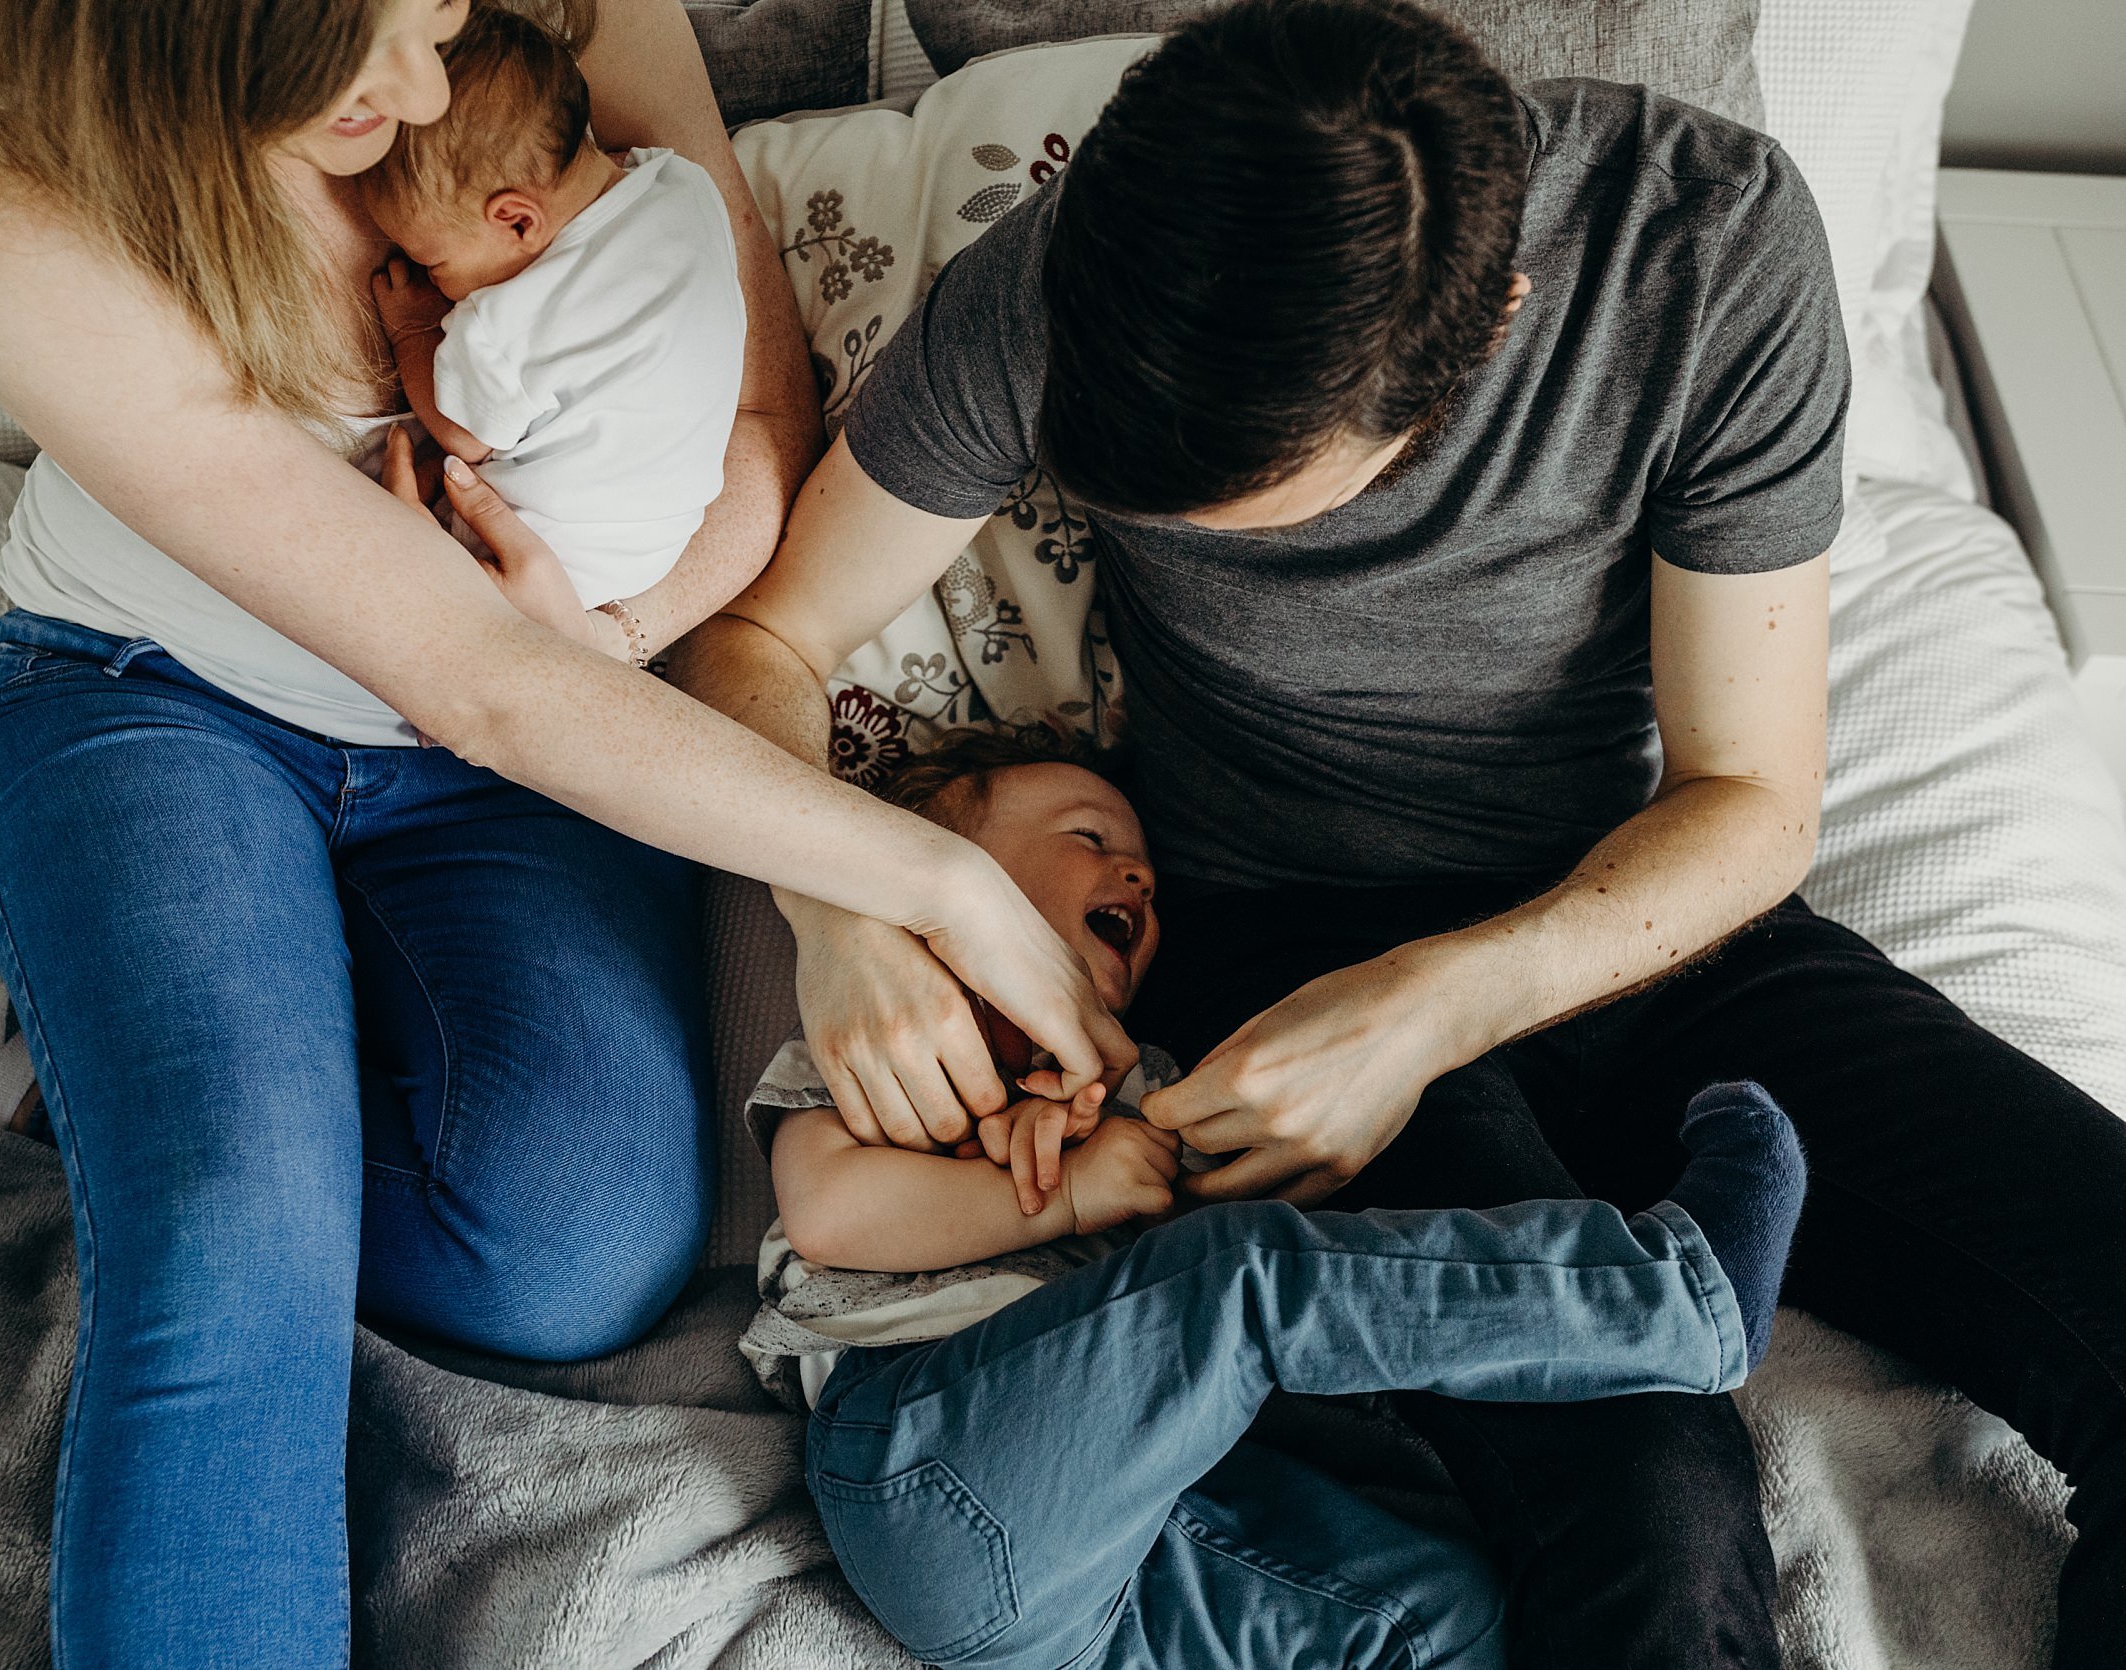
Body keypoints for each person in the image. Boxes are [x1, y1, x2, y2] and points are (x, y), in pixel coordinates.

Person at [675, 0, 2126, 1665]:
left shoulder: (1710, 245)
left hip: (1645, 916)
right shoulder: (1080, 283)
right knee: (1651, 1509)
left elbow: (1748, 801)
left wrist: (1431, 1007)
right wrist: (840, 904)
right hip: (1274, 953)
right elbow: (755, 645)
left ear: (1491, 323)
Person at [0, 0, 1129, 1663]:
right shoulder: (14, 195)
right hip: (158, 697)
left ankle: (158, 1107)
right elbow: (473, 674)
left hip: (534, 730)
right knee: (236, 1230)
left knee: (575, 1254)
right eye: (367, 58)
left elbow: (756, 446)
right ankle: (202, 1159)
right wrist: (930, 883)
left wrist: (615, 640)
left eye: (447, 21)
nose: (426, 88)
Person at [740, 727, 1810, 1669]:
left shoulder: (1141, 1080)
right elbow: (832, 1210)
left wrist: (1146, 1158)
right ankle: (1674, 1294)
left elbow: (1201, 1274)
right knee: (1247, 1273)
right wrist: (1059, 1196)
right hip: (927, 1461)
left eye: (1145, 866)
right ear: (950, 865)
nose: (1136, 875)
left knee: (1452, 1615)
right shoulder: (891, 1032)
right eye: (1087, 838)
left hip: (1123, 1574)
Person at [363, 7, 746, 619]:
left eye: (432, 262)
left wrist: (411, 330)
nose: (433, 282)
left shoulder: (502, 322)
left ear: (516, 220)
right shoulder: (686, 186)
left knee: (404, 505)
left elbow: (468, 439)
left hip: (545, 554)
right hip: (665, 536)